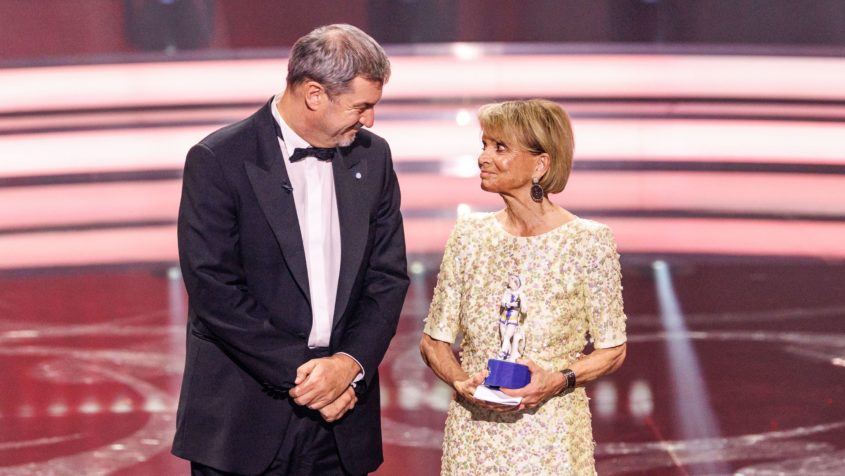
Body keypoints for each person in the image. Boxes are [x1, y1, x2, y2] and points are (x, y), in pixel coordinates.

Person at [172, 24, 409, 476]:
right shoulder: (220, 159)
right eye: (362, 106)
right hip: (245, 416)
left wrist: (348, 365)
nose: (371, 120)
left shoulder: (373, 158)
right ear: (315, 94)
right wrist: (310, 376)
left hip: (342, 416)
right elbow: (213, 287)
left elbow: (387, 277)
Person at [420, 99, 627, 475]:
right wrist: (461, 382)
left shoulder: (588, 241)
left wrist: (557, 381)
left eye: (500, 148)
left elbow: (612, 349)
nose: (484, 157)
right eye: (484, 145)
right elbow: (434, 342)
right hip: (474, 437)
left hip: (550, 437)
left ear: (541, 164)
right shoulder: (469, 234)